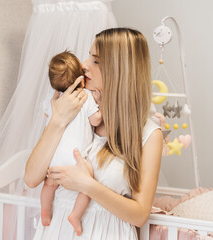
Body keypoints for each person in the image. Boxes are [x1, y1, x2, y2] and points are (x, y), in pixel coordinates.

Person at [24, 28, 163, 239]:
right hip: (58, 231)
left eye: (95, 60)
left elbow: (140, 215)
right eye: (89, 56)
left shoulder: (148, 134)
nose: (84, 64)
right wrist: (57, 121)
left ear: (120, 70)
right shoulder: (76, 111)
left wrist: (87, 185)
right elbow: (32, 178)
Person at [40, 51, 102, 236]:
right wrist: (101, 105)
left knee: (49, 186)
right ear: (80, 79)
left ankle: (44, 211)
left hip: (55, 159)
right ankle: (75, 215)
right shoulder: (85, 97)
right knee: (89, 185)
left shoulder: (54, 101)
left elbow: (47, 115)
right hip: (75, 160)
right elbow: (96, 121)